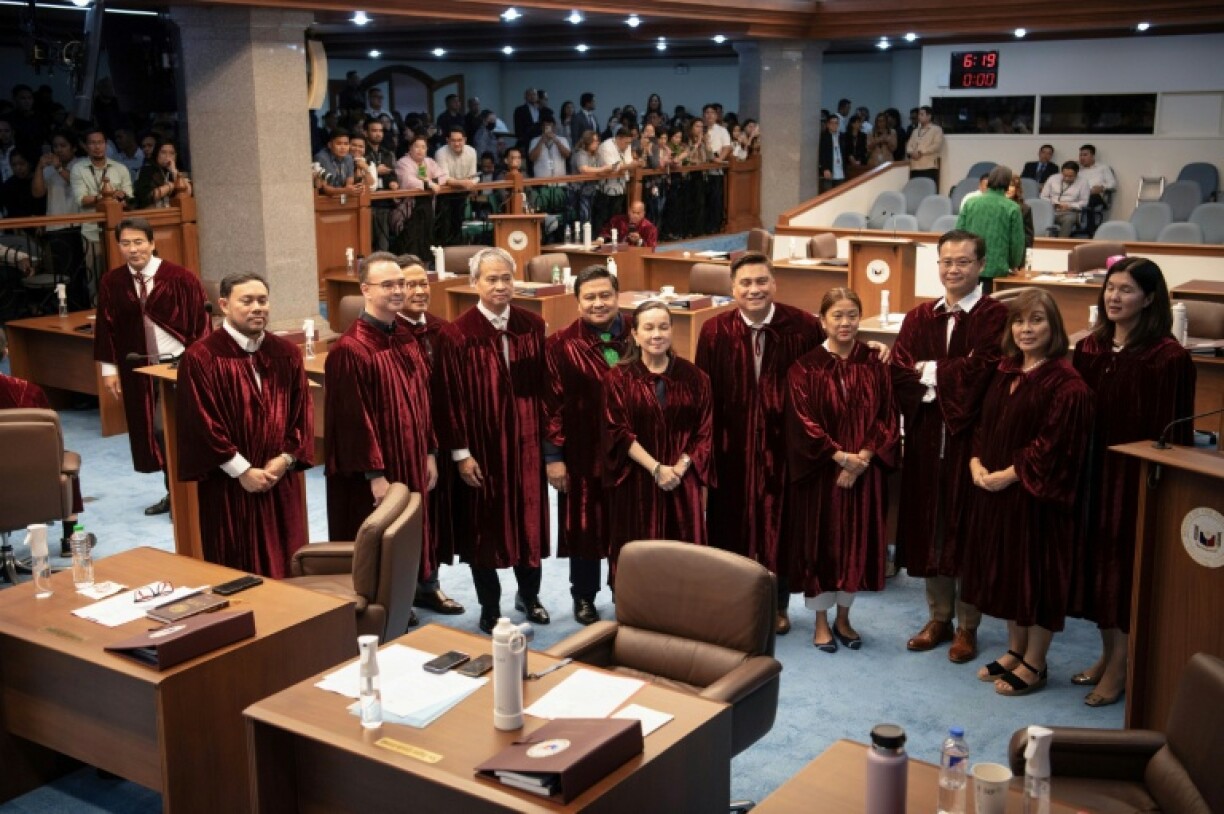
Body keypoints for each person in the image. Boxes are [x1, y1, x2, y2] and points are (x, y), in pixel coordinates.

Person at [1070, 257, 1195, 707]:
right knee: (1096, 570)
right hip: (1092, 472)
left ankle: (1122, 666)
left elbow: (1176, 434)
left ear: (1148, 298)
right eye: (1110, 287)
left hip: (1135, 479)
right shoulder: (1090, 348)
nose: (1114, 297)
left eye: (1126, 290)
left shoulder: (1168, 357)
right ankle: (1108, 654)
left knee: (1123, 573)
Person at [961, 290, 1093, 696]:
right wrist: (976, 461)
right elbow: (983, 424)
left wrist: (1010, 474)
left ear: (1053, 327)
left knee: (1035, 578)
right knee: (1008, 575)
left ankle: (1036, 662)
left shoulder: (1067, 384)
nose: (1026, 329)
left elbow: (1056, 446)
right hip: (996, 489)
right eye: (1019, 321)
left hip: (1036, 498)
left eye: (1036, 320)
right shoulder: (1005, 370)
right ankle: (1015, 651)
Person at [889, 229, 1008, 664]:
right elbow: (899, 371)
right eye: (946, 261)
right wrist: (944, 374)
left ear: (981, 265)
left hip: (972, 438)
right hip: (925, 436)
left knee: (967, 528)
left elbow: (985, 371)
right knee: (930, 525)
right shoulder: (920, 317)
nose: (953, 269)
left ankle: (967, 626)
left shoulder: (995, 316)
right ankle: (938, 617)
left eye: (963, 261)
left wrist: (929, 372)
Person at [695, 252, 826, 633]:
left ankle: (777, 605)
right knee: (729, 523)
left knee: (779, 526)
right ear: (733, 289)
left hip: (784, 447)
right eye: (746, 283)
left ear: (774, 284)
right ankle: (731, 603)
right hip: (730, 446)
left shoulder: (803, 327)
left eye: (761, 281)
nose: (754, 290)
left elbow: (826, 374)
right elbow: (703, 394)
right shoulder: (714, 330)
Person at [324, 253, 439, 626]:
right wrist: (374, 475)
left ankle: (411, 595)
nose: (398, 291)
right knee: (377, 539)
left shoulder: (404, 336)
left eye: (400, 283)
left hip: (412, 455)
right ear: (365, 290)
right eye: (387, 285)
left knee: (409, 532)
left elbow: (423, 399)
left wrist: (429, 451)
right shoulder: (351, 348)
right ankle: (381, 609)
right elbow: (353, 421)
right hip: (375, 467)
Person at [176, 273, 313, 577]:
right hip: (229, 485)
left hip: (279, 478)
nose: (257, 308)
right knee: (238, 570)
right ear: (224, 305)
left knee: (290, 560)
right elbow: (201, 422)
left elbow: (302, 413)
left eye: (262, 300)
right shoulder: (201, 357)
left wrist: (285, 459)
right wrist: (242, 470)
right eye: (247, 301)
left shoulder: (286, 353)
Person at [786, 289, 897, 652]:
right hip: (823, 474)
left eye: (852, 315)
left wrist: (861, 458)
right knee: (823, 545)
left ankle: (844, 618)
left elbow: (886, 415)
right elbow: (803, 423)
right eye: (837, 316)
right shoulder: (805, 368)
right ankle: (820, 621)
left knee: (855, 545)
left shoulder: (874, 362)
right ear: (822, 321)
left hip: (865, 473)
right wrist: (840, 457)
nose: (845, 323)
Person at [448, 248, 550, 633]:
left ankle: (530, 596)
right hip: (483, 448)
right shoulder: (458, 334)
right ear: (475, 283)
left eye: (506, 278)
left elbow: (544, 390)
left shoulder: (532, 326)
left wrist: (547, 447)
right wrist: (461, 453)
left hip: (526, 446)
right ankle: (490, 606)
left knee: (529, 521)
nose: (500, 286)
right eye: (491, 279)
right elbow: (451, 399)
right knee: (484, 527)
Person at [93, 217, 210, 516]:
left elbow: (202, 326)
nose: (133, 249)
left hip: (179, 367)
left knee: (171, 429)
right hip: (139, 369)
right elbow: (107, 329)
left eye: (139, 242)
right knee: (153, 434)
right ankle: (174, 493)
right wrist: (109, 371)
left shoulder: (181, 278)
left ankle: (194, 493)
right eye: (126, 244)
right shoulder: (112, 282)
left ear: (152, 243)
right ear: (118, 247)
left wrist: (199, 365)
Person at [544, 265, 632, 624]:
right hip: (582, 452)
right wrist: (554, 456)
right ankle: (584, 596)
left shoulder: (641, 332)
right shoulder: (560, 344)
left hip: (632, 453)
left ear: (617, 296)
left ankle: (629, 594)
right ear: (577, 302)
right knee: (584, 526)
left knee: (629, 525)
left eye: (605, 295)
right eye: (590, 297)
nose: (599, 303)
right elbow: (551, 405)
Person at [603, 300, 713, 586]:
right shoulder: (618, 379)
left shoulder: (696, 378)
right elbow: (618, 431)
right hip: (636, 479)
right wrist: (656, 468)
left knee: (684, 553)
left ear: (672, 330)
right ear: (635, 334)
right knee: (638, 550)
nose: (656, 334)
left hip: (682, 479)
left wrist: (679, 468)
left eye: (663, 327)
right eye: (649, 328)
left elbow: (704, 431)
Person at [396, 257, 466, 618]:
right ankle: (401, 592)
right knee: (407, 519)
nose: (419, 291)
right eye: (410, 284)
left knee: (435, 517)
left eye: (423, 283)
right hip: (405, 442)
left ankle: (429, 585)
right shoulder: (388, 335)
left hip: (441, 439)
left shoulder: (444, 331)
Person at [955, 165, 1025, 294]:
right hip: (997, 268)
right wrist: (1014, 264)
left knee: (968, 302)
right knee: (992, 303)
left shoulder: (970, 203)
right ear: (1007, 183)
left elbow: (959, 233)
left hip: (970, 264)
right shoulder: (1012, 208)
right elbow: (1016, 242)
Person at [393, 134, 446, 262]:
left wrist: (430, 181)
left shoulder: (429, 162)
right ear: (410, 148)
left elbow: (443, 177)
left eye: (423, 147)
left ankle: (425, 265)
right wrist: (429, 184)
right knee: (412, 240)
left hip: (427, 206)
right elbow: (408, 181)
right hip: (409, 209)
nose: (420, 150)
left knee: (426, 238)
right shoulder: (403, 162)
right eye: (416, 146)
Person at [432, 126, 478, 246]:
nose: (457, 143)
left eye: (459, 140)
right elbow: (445, 179)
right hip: (444, 194)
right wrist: (463, 182)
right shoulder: (441, 153)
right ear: (447, 140)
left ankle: (457, 250)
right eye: (453, 140)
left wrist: (469, 183)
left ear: (465, 140)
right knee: (444, 227)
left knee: (458, 224)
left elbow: (473, 176)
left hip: (463, 192)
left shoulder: (471, 151)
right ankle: (443, 252)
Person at [134, 139, 191, 209]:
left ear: (176, 156)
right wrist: (171, 186)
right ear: (157, 154)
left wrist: (174, 171)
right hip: (153, 211)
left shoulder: (178, 172)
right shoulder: (147, 170)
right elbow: (146, 197)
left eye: (172, 153)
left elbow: (187, 193)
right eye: (163, 152)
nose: (167, 156)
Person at [1041, 161, 1090, 238]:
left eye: (1070, 176)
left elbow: (1084, 202)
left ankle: (1061, 242)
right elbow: (1043, 196)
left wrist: (1069, 206)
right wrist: (1054, 204)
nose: (1067, 178)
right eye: (1064, 175)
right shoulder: (1052, 178)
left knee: (1068, 219)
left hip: (1070, 212)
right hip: (1051, 210)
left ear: (1076, 174)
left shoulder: (1083, 182)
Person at [906, 105, 944, 187]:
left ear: (929, 116)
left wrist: (921, 152)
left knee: (929, 189)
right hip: (915, 166)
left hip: (929, 166)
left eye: (922, 114)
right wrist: (912, 152)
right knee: (915, 189)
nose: (919, 117)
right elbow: (909, 145)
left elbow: (936, 146)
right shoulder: (915, 131)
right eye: (919, 114)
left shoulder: (936, 129)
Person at [818, 115, 846, 192]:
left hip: (840, 170)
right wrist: (825, 168)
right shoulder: (824, 137)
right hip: (829, 170)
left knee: (840, 193)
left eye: (836, 123)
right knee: (828, 193)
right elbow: (822, 154)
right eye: (832, 123)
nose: (834, 125)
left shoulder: (842, 136)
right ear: (828, 124)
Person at [1007, 174, 1035, 249]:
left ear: (1017, 189)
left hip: (1017, 249)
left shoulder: (1025, 209)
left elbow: (1028, 236)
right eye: (1005, 185)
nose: (1008, 189)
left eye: (1011, 185)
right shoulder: (994, 207)